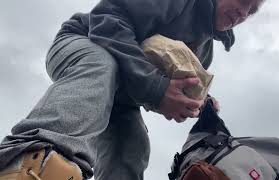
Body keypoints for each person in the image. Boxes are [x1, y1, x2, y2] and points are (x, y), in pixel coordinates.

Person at [0, 0, 265, 179]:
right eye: (243, 0)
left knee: (133, 144)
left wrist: (192, 102)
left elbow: (161, 87)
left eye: (252, 11)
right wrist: (156, 90)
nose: (244, 13)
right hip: (83, 42)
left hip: (121, 94)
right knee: (100, 65)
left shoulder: (204, 51)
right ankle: (28, 161)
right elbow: (107, 19)